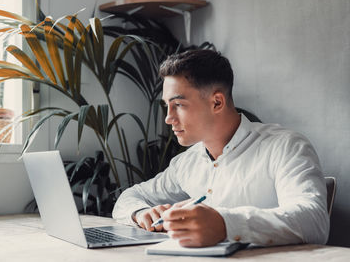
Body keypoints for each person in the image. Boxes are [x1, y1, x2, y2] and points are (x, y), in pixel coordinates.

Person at [112, 49, 329, 247]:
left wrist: (225, 224)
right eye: (166, 106)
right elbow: (128, 198)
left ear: (217, 102)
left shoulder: (285, 146)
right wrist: (140, 213)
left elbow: (314, 220)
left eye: (178, 105)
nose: (168, 118)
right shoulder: (186, 163)